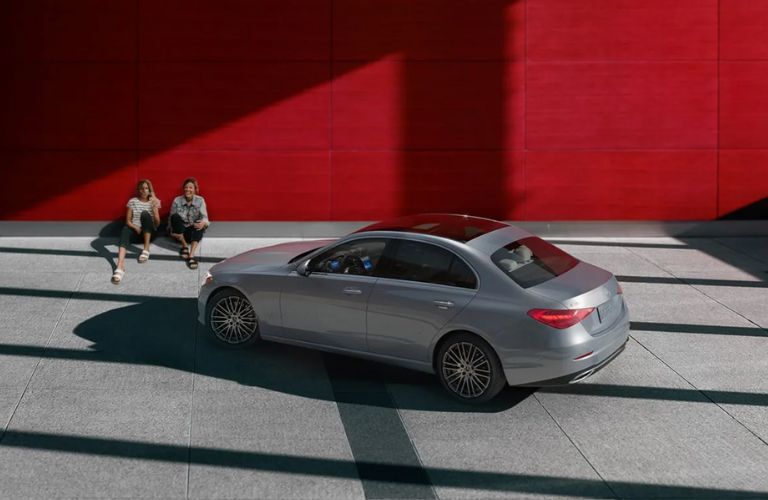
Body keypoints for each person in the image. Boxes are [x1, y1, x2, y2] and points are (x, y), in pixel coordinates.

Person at [111, 179, 161, 284]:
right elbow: (128, 221)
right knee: (125, 229)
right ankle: (120, 266)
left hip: (149, 232)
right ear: (138, 190)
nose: (144, 190)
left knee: (145, 214)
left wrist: (155, 208)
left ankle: (146, 249)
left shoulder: (154, 201)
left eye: (146, 188)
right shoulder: (132, 201)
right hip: (136, 231)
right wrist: (135, 227)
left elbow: (157, 224)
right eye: (141, 188)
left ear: (149, 190)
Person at [169, 177, 210, 270]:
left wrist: (203, 223)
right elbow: (171, 219)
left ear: (195, 189)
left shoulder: (200, 200)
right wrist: (171, 231)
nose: (188, 189)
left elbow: (205, 218)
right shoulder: (177, 200)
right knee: (175, 216)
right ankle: (184, 246)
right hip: (180, 233)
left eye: (191, 187)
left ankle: (191, 256)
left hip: (193, 232)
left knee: (200, 222)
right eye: (186, 187)